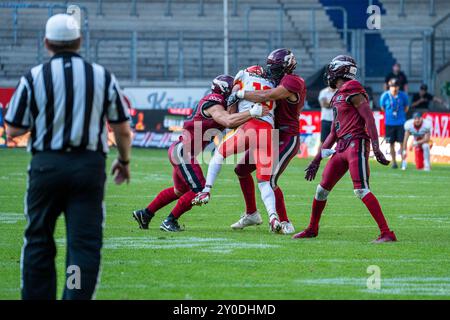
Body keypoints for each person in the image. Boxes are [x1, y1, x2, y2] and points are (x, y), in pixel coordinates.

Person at [4, 14, 132, 299]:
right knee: (82, 245)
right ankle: (73, 294)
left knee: (39, 239)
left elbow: (13, 128)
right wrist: (123, 162)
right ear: (79, 42)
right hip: (88, 168)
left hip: (46, 166)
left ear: (47, 43)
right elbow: (123, 129)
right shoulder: (101, 75)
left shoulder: (34, 76)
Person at [132, 75, 269, 232]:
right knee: (200, 190)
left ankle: (145, 214)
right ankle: (170, 221)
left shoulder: (218, 102)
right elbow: (229, 121)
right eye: (232, 88)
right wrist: (252, 112)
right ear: (224, 89)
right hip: (184, 151)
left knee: (180, 191)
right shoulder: (214, 102)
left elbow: (232, 121)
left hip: (181, 150)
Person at [293, 55, 397, 243]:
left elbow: (369, 118)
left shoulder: (353, 88)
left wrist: (376, 147)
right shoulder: (338, 95)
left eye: (333, 69)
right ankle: (312, 228)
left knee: (361, 190)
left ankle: (387, 233)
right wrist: (317, 159)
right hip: (341, 147)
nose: (329, 74)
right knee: (321, 191)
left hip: (355, 144)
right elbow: (333, 132)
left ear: (341, 70)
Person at [192, 64, 283, 233]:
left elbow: (232, 108)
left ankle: (206, 190)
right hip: (269, 131)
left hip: (250, 125)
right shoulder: (272, 85)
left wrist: (235, 105)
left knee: (218, 154)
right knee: (264, 181)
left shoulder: (243, 77)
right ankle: (272, 216)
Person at [226, 49, 306, 234]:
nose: (271, 71)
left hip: (286, 137)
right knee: (241, 170)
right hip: (269, 135)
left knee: (269, 179)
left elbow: (265, 96)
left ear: (287, 67)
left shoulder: (292, 81)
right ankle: (251, 213)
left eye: (276, 68)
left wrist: (239, 94)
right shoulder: (276, 80)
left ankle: (285, 222)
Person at [379, 78, 409, 169]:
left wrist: (400, 115)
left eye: (396, 86)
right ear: (389, 87)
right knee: (390, 143)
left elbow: (406, 108)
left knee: (402, 143)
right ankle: (394, 162)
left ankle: (403, 161)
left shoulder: (403, 96)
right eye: (392, 86)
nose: (394, 88)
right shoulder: (385, 96)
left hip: (400, 123)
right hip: (389, 123)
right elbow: (382, 108)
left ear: (398, 87)